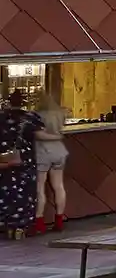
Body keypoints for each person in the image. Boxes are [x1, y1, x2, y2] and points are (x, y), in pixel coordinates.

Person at [0, 91, 40, 239]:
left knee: (6, 194)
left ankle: (8, 226)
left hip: (4, 163)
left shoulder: (1, 117)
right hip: (25, 162)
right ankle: (19, 229)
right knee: (25, 196)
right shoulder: (31, 118)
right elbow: (42, 136)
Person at [31, 95, 67, 235]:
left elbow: (39, 135)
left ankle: (39, 222)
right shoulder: (60, 114)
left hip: (43, 152)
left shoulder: (36, 116)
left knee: (40, 188)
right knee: (59, 186)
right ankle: (59, 220)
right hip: (59, 151)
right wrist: (58, 136)